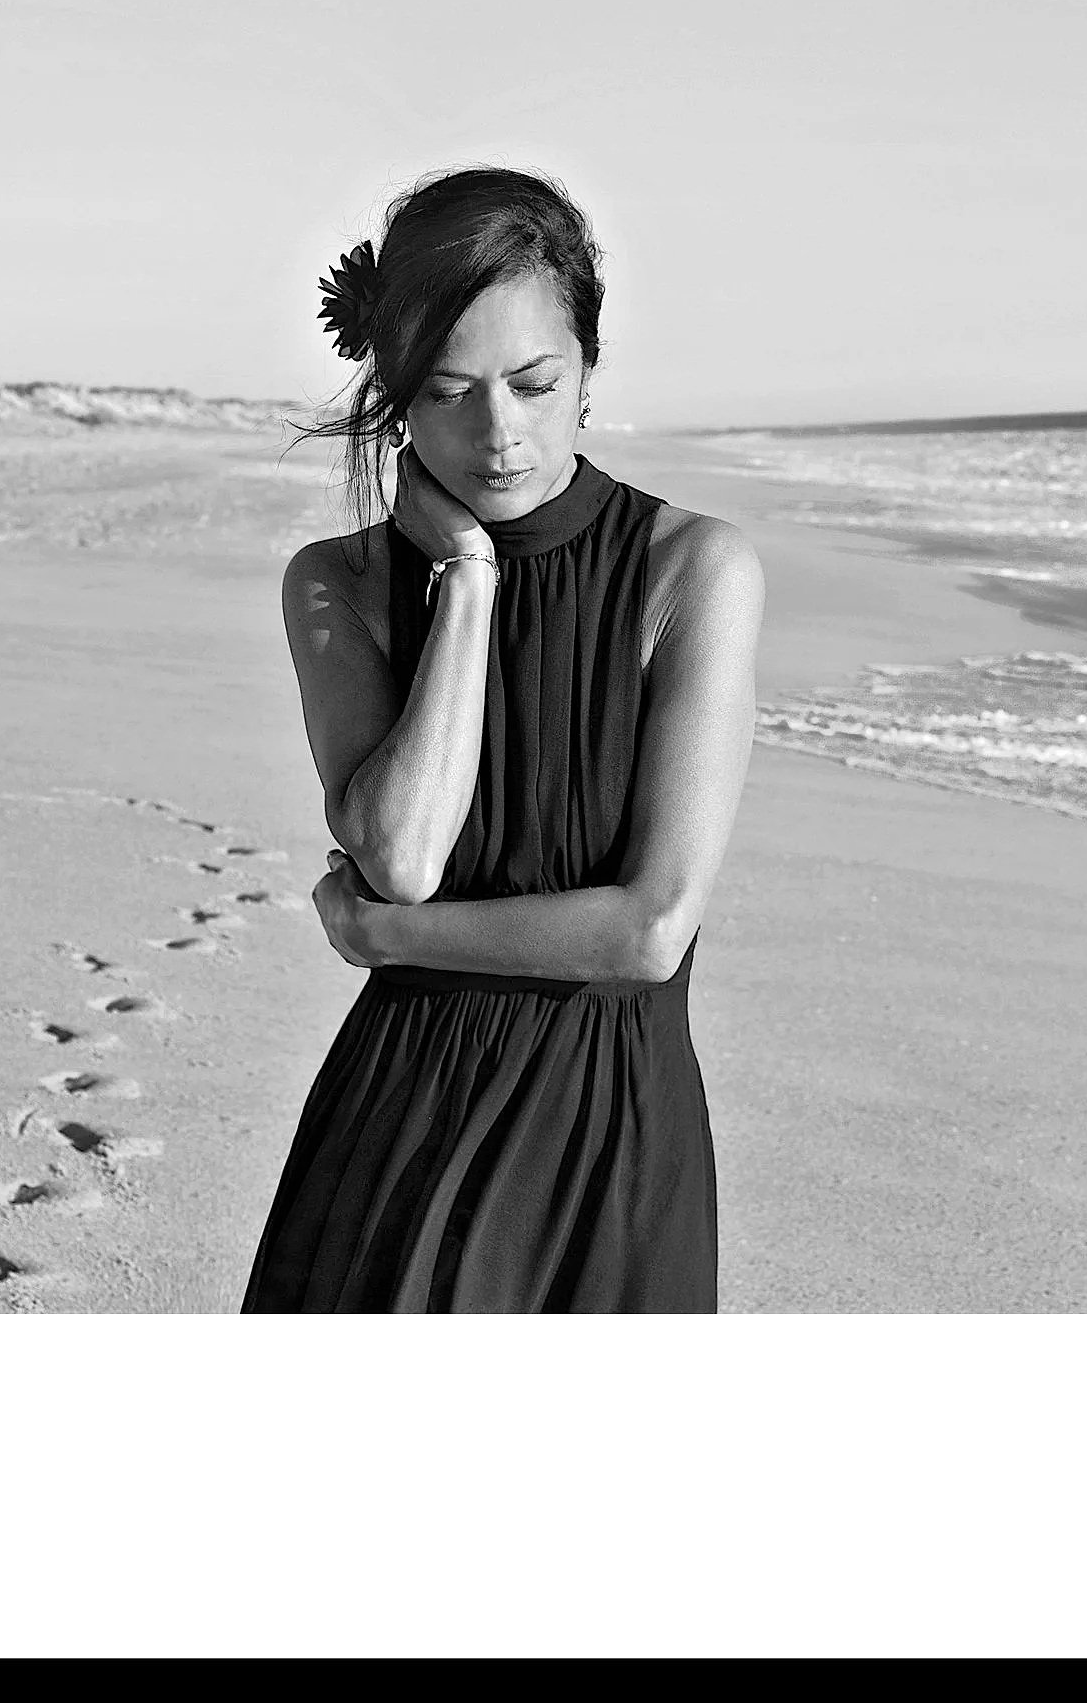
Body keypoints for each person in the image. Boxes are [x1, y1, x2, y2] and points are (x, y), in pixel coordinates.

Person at [242, 166, 764, 1313]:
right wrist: (467, 581)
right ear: (395, 397)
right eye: (447, 391)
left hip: (607, 1150)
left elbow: (648, 930)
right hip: (395, 1133)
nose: (498, 433)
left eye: (534, 383)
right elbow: (401, 851)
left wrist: (391, 935)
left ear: (589, 369)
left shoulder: (692, 572)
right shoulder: (340, 583)